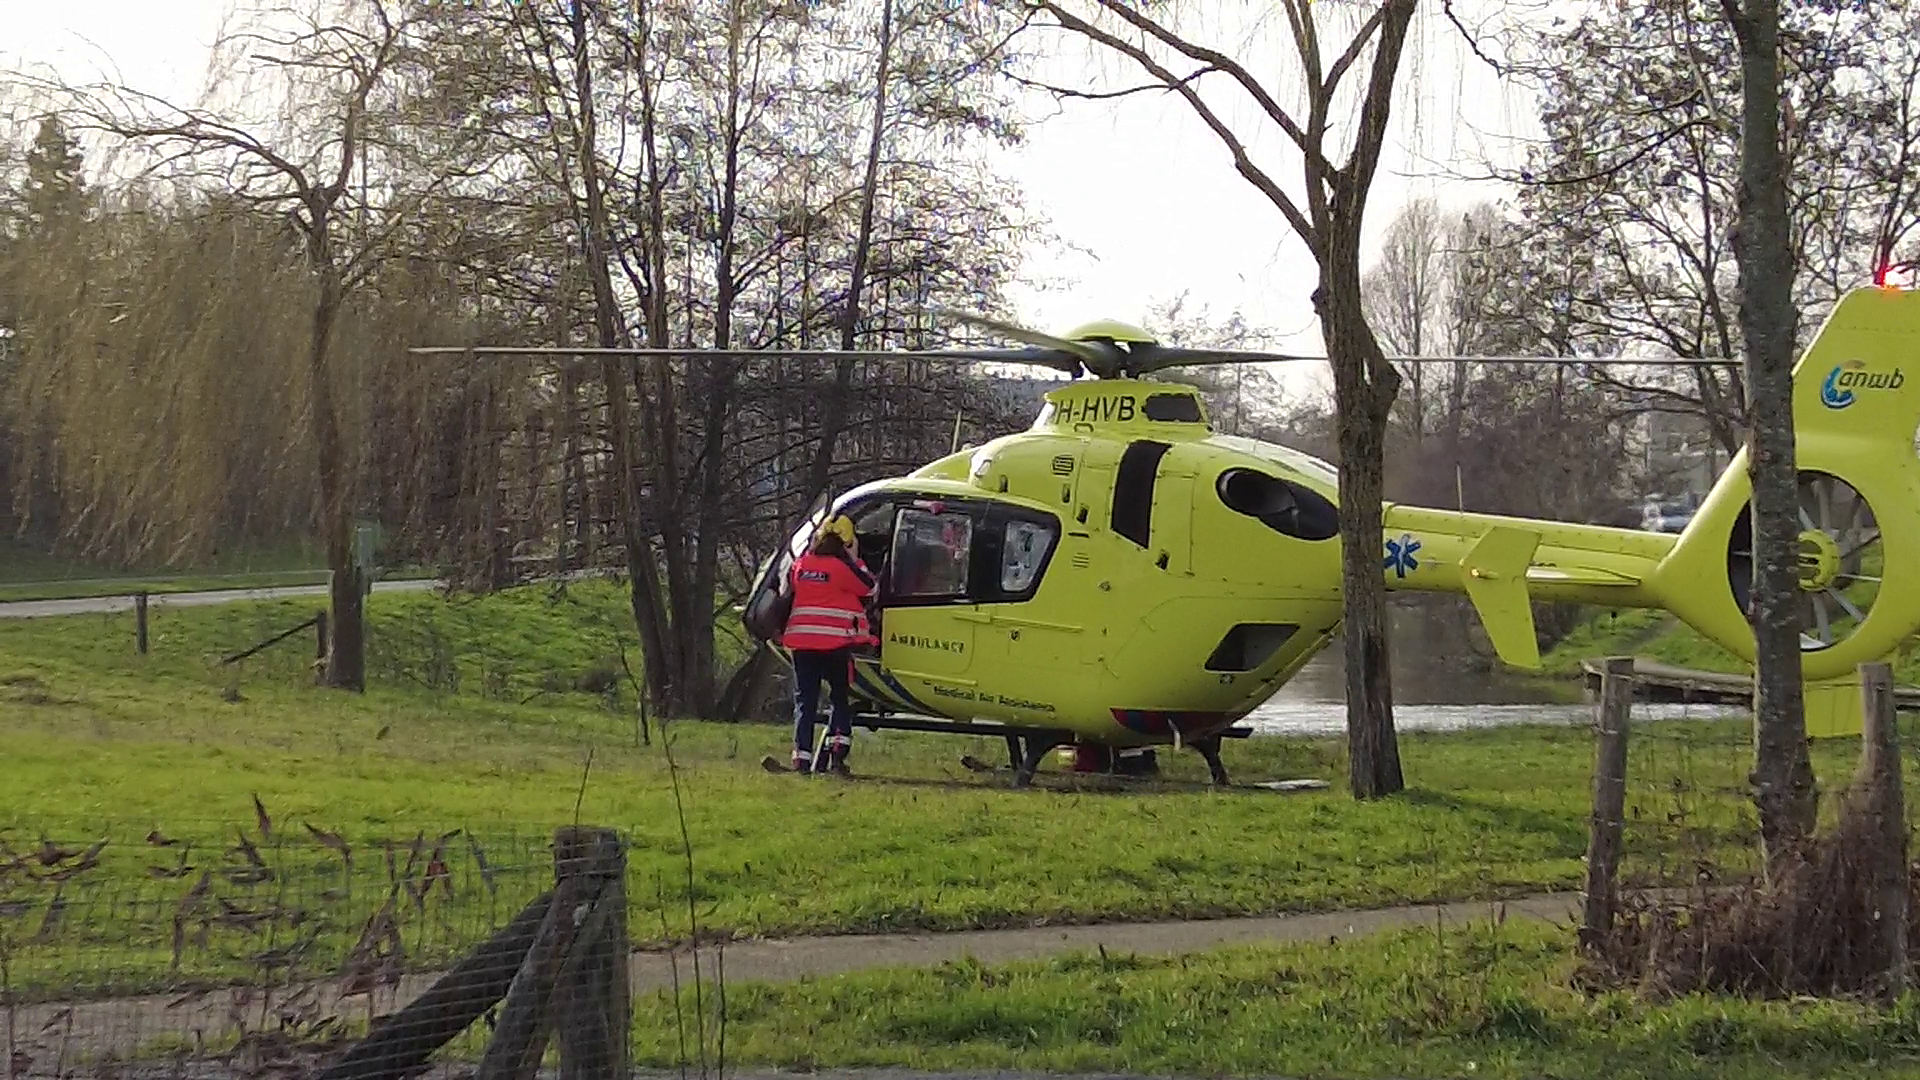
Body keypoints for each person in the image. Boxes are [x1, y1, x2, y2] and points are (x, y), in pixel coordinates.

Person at [781, 514, 875, 775]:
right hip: (834, 644)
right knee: (839, 698)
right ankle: (837, 754)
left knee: (805, 702)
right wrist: (856, 559)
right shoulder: (842, 568)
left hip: (802, 644)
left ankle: (801, 759)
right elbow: (869, 588)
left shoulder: (801, 565)